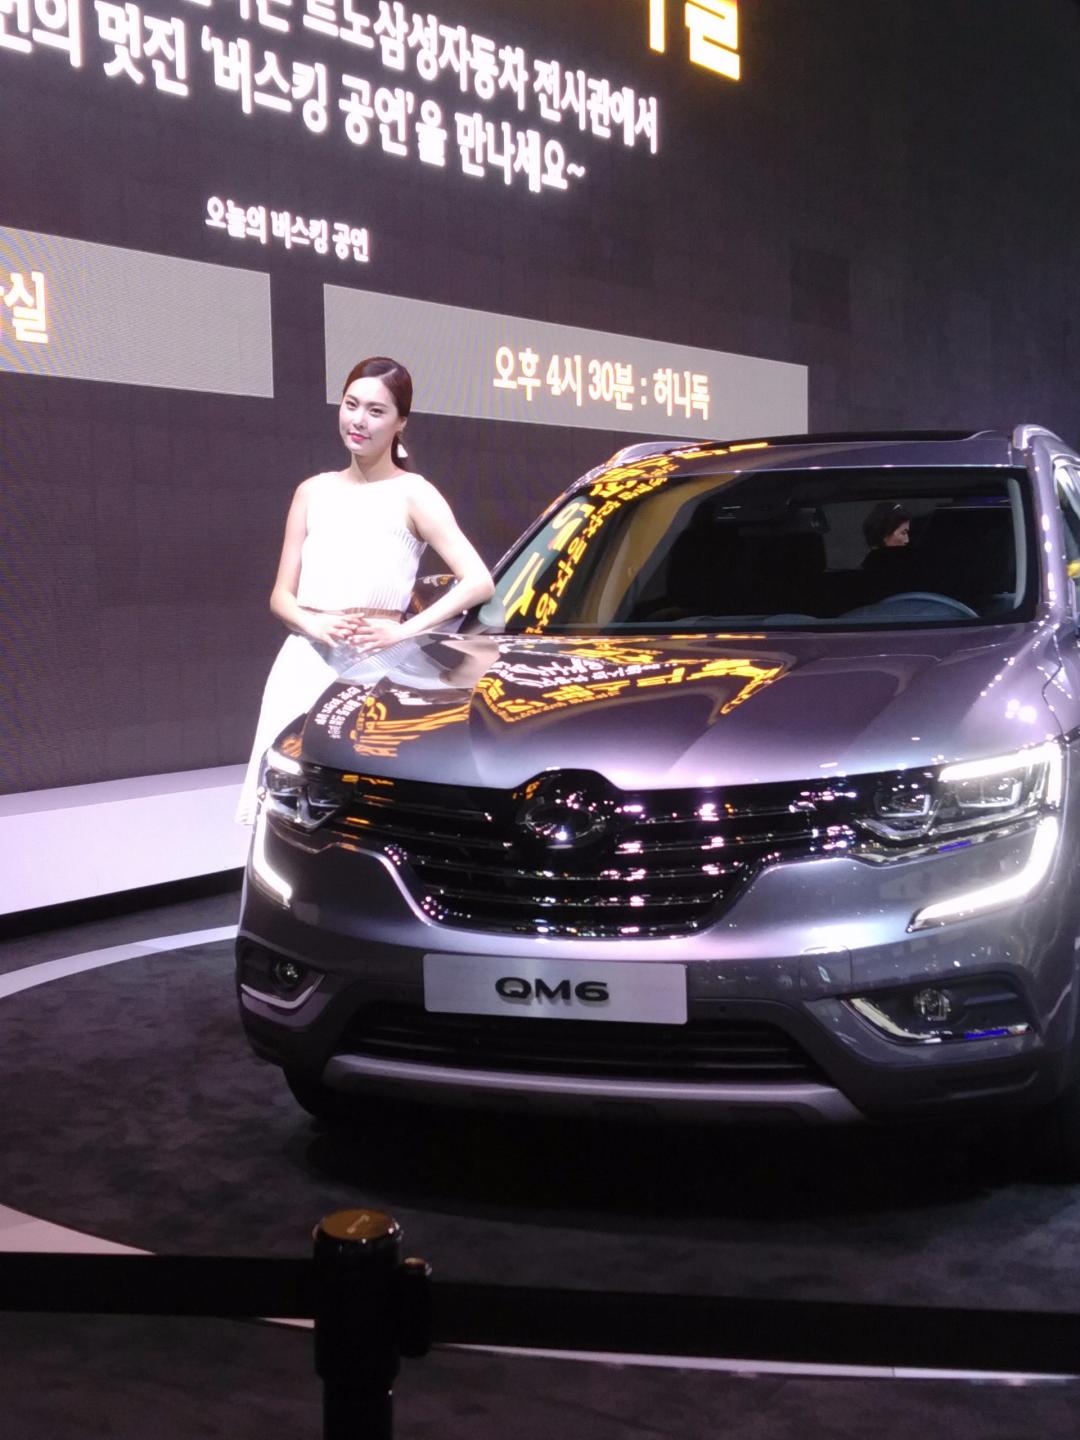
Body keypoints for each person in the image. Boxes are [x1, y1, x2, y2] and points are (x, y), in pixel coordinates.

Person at [236, 355, 494, 824]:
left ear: (400, 423)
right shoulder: (312, 491)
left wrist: (404, 631)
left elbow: (478, 581)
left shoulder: (414, 493)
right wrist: (314, 624)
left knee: (365, 808)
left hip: (377, 666)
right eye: (351, 404)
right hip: (303, 662)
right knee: (280, 803)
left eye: (376, 411)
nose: (358, 420)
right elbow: (281, 596)